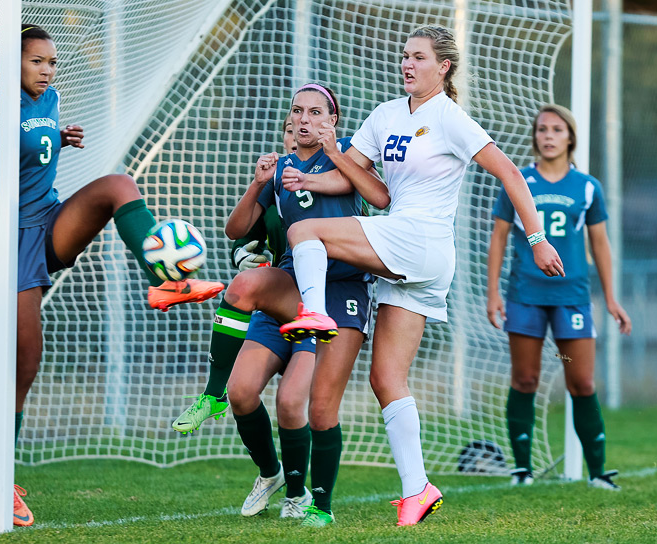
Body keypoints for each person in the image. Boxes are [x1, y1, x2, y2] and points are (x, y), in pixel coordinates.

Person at [0, 24, 223, 527]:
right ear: (10, 64)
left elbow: (30, 152)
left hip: (49, 218)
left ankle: (166, 278)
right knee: (25, 362)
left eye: (51, 62)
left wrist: (59, 139)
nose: (46, 71)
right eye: (36, 61)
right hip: (13, 241)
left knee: (117, 185)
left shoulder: (52, 100)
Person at [278, 25, 564, 526]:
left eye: (419, 57)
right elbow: (357, 181)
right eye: (404, 56)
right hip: (406, 246)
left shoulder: (450, 118)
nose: (407, 64)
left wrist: (537, 240)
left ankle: (314, 314)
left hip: (423, 240)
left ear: (443, 67)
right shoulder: (386, 114)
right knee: (386, 377)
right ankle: (417, 490)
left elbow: (512, 175)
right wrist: (306, 176)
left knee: (305, 231)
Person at [182, 84, 388, 527]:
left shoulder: (349, 151)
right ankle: (255, 453)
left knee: (299, 403)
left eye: (316, 112)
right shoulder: (279, 170)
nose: (305, 119)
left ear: (333, 120)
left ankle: (311, 500)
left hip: (338, 292)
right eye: (298, 111)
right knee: (242, 371)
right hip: (290, 287)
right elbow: (235, 229)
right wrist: (259, 182)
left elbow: (377, 196)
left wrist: (334, 154)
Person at [486, 103, 631, 490]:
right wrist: (493, 293)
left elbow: (600, 245)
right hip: (525, 297)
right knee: (526, 378)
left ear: (570, 137)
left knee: (581, 381)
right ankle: (521, 470)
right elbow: (498, 238)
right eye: (542, 129)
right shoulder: (519, 182)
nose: (548, 136)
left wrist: (612, 299)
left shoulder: (587, 187)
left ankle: (599, 472)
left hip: (572, 299)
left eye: (556, 129)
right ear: (535, 137)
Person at [170, 116, 295, 436]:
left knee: (297, 405)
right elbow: (240, 235)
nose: (296, 136)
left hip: (325, 299)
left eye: (306, 125)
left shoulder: (337, 175)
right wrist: (241, 254)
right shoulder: (274, 182)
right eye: (289, 131)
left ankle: (299, 488)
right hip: (279, 293)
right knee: (241, 392)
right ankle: (269, 474)